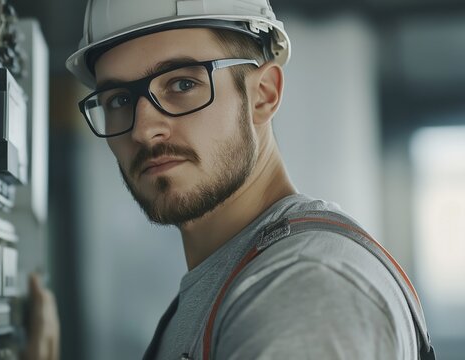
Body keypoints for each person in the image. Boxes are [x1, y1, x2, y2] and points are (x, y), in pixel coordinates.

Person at [65, 0, 435, 359]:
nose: (144, 131)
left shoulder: (305, 292)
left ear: (263, 95)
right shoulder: (238, 276)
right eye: (117, 100)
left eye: (181, 85)